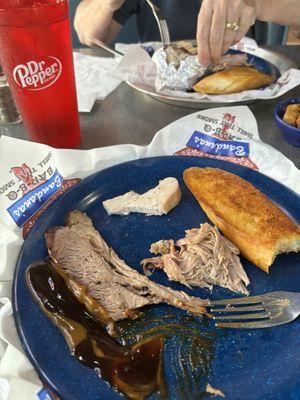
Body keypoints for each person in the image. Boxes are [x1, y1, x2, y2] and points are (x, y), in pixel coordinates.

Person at [74, 0, 300, 65]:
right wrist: (106, 4)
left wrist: (255, 4)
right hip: (156, 101)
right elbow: (89, 35)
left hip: (246, 99)